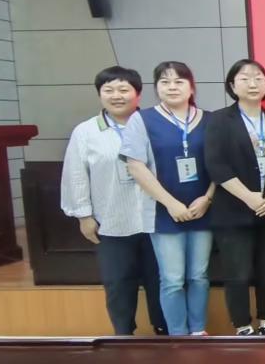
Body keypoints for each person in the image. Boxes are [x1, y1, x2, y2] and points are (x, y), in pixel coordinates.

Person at [60, 66, 167, 336]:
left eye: (123, 89)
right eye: (108, 90)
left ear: (138, 94)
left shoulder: (154, 125)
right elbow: (75, 175)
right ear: (100, 94)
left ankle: (164, 331)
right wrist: (84, 215)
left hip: (156, 218)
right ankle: (123, 334)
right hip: (112, 221)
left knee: (161, 280)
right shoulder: (85, 132)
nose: (116, 96)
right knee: (118, 282)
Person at [120, 61, 215, 336]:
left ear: (192, 87)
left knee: (199, 276)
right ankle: (177, 335)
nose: (172, 87)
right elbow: (135, 166)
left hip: (202, 210)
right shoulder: (142, 119)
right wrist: (170, 203)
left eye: (179, 81)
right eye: (164, 82)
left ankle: (198, 331)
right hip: (163, 213)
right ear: (156, 88)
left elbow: (220, 165)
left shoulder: (209, 120)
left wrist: (208, 198)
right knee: (172, 279)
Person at [204, 59, 265, 336]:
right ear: (232, 85)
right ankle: (242, 325)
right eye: (245, 78)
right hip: (233, 210)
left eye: (258, 78)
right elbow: (216, 164)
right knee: (237, 273)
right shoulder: (218, 120)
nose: (253, 84)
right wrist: (247, 196)